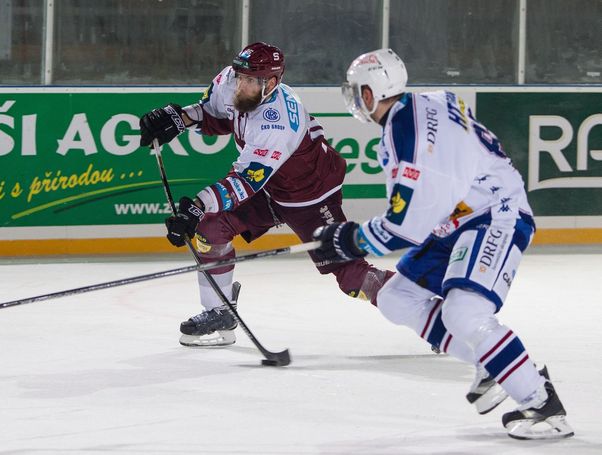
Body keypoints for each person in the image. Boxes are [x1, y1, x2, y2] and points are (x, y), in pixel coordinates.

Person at [312, 48, 574, 440]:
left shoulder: (412, 135)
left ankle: (542, 403)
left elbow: (405, 229)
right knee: (397, 298)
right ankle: (493, 362)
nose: (356, 99)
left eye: (359, 90)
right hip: (459, 218)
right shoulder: (419, 105)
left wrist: (348, 239)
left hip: (496, 213)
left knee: (464, 314)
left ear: (374, 91)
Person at [139, 42, 394, 347]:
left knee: (352, 278)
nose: (239, 84)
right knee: (210, 227)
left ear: (271, 83)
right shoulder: (231, 81)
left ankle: (431, 308)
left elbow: (246, 181)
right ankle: (219, 311)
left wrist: (196, 205)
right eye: (239, 75)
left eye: (249, 80)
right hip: (269, 188)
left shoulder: (279, 120)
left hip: (310, 196)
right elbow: (213, 112)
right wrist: (179, 118)